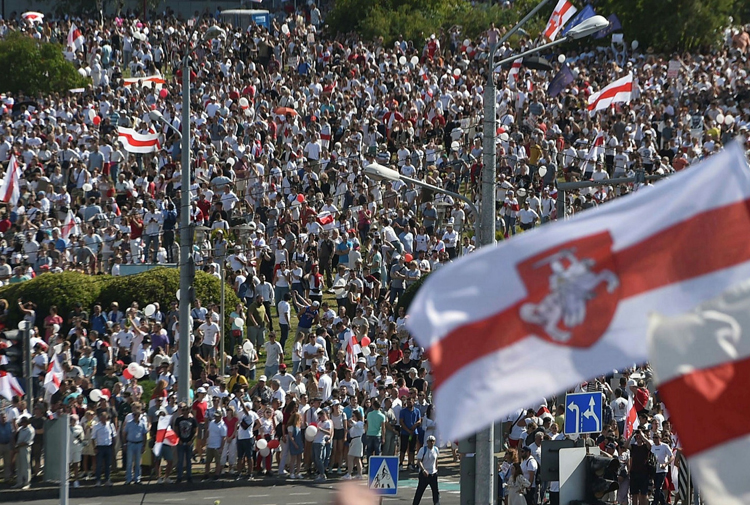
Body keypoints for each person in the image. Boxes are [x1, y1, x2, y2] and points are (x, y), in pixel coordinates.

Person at [122, 402, 149, 484]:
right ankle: (128, 479)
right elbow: (124, 433)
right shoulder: (129, 423)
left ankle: (137, 478)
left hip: (139, 443)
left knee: (138, 463)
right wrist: (125, 444)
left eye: (136, 415)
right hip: (130, 443)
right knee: (129, 462)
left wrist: (144, 445)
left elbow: (144, 434)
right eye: (134, 414)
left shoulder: (143, 423)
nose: (135, 416)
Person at [174, 403, 198, 483]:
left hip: (189, 442)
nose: (185, 412)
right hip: (181, 442)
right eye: (183, 410)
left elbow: (195, 432)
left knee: (188, 460)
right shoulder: (178, 420)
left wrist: (191, 440)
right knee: (180, 460)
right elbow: (176, 430)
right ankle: (179, 477)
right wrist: (178, 440)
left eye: (187, 410)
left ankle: (189, 476)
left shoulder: (192, 420)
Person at [412, 435, 440, 505]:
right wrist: (423, 470)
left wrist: (436, 468)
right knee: (420, 491)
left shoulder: (436, 449)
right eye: (430, 441)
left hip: (433, 474)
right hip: (424, 475)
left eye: (433, 441)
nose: (431, 443)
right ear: (427, 442)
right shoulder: (423, 450)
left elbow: (436, 459)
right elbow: (419, 461)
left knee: (435, 492)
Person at [92, 411, 116, 486]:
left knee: (108, 464)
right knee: (99, 464)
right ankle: (98, 480)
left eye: (105, 417)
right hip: (100, 447)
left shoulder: (111, 425)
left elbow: (114, 435)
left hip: (108, 446)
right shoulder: (96, 426)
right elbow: (93, 438)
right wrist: (94, 447)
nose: (103, 419)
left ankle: (107, 479)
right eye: (102, 417)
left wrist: (113, 445)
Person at [651, 432, 674, 505]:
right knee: (658, 488)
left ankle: (654, 503)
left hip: (663, 470)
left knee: (658, 486)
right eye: (654, 437)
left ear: (660, 438)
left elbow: (672, 456)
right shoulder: (652, 447)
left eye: (656, 437)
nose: (655, 439)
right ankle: (663, 503)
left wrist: (666, 464)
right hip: (655, 469)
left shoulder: (665, 446)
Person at [13, 415, 35, 489]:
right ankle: (19, 482)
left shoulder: (30, 430)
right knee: (18, 466)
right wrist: (16, 446)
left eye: (24, 422)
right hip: (18, 448)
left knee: (26, 466)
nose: (22, 424)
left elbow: (27, 441)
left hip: (25, 448)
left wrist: (18, 445)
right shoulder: (21, 429)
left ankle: (27, 483)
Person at [313, 408, 333, 481]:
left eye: (320, 417)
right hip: (315, 441)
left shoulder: (327, 422)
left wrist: (320, 429)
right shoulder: (319, 422)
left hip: (320, 442)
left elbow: (329, 432)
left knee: (319, 459)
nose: (319, 418)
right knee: (316, 459)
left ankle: (322, 474)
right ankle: (320, 473)